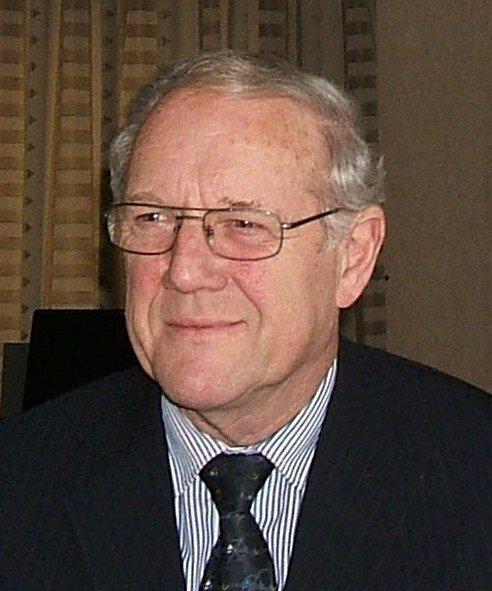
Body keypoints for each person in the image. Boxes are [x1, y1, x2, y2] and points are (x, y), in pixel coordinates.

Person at [0, 51, 490, 591]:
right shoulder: (21, 484)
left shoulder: (472, 475)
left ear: (352, 257)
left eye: (244, 224)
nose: (185, 271)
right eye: (152, 217)